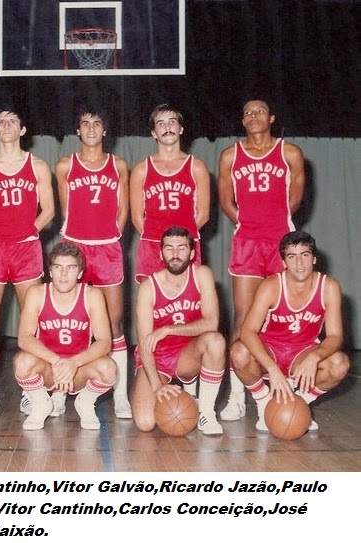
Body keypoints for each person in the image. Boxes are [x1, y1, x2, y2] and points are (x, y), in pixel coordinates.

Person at [218, 98, 305, 421]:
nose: (253, 116)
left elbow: (295, 198)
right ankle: (237, 397)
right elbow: (225, 200)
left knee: (283, 315)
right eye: (248, 113)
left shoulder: (290, 152)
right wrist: (247, 223)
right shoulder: (230, 155)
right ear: (243, 121)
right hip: (247, 243)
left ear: (271, 118)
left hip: (281, 240)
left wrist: (275, 223)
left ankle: (290, 393)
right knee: (243, 317)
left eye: (260, 112)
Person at [0, 104, 55, 416]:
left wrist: (27, 231)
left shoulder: (38, 166)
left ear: (22, 129)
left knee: (31, 323)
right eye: (1, 122)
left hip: (26, 249)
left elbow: (49, 210)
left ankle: (32, 391)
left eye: (13, 121)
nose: (7, 126)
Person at [55, 104, 132, 419]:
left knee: (114, 323)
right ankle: (59, 391)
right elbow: (66, 210)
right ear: (78, 130)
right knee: (68, 321)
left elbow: (123, 210)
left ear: (105, 130)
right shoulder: (65, 165)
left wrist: (111, 237)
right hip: (75, 248)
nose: (90, 129)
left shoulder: (118, 165)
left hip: (107, 250)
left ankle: (121, 395)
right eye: (85, 123)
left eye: (96, 123)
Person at [231, 231, 349, 433]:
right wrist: (272, 368)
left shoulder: (329, 287)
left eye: (305, 255)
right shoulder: (271, 286)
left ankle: (300, 403)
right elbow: (248, 331)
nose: (299, 263)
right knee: (238, 352)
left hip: (303, 351)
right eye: (292, 256)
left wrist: (314, 358)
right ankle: (264, 402)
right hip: (270, 349)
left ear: (314, 259)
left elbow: (335, 336)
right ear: (284, 261)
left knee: (339, 364)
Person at [132, 226, 225, 435]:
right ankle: (184, 388)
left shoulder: (201, 274)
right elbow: (145, 344)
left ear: (192, 253)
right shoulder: (148, 287)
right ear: (160, 253)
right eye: (169, 248)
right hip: (157, 356)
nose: (175, 254)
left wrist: (168, 329)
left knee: (215, 341)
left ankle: (206, 412)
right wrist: (157, 386)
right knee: (145, 422)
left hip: (188, 354)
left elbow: (211, 323)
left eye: (181, 248)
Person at [13, 241, 116, 430]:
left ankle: (85, 402)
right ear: (50, 271)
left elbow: (104, 342)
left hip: (78, 370)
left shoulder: (92, 295)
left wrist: (74, 363)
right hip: (49, 368)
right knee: (22, 362)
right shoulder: (36, 293)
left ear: (80, 273)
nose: (63, 274)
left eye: (70, 268)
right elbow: (24, 337)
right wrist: (56, 361)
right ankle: (42, 402)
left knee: (108, 368)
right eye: (58, 267)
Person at [130, 103, 210, 281]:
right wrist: (160, 242)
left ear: (181, 129)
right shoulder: (141, 169)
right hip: (152, 245)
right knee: (150, 296)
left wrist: (180, 242)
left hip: (185, 246)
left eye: (172, 122)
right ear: (153, 133)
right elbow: (137, 218)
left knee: (188, 296)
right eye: (161, 123)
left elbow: (203, 215)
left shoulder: (196, 167)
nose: (167, 127)